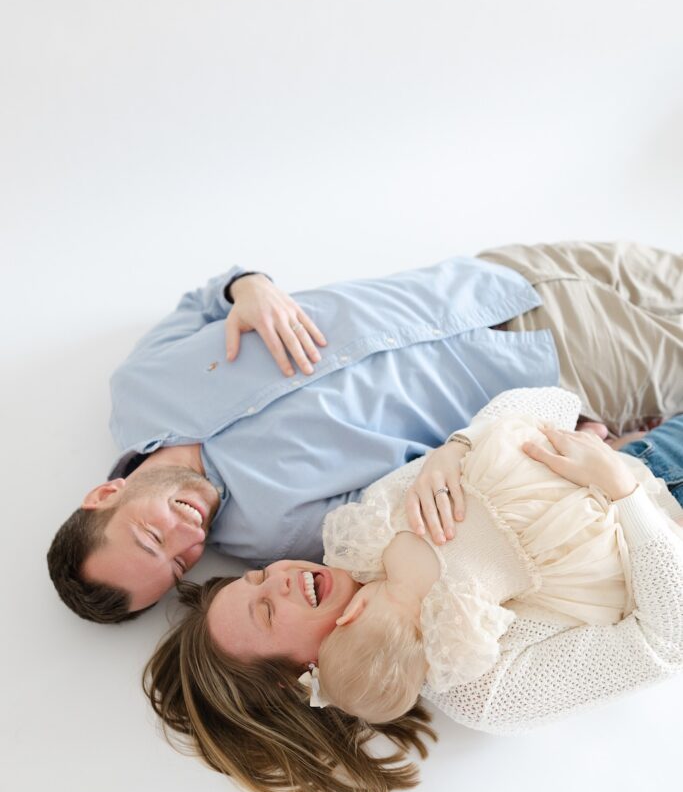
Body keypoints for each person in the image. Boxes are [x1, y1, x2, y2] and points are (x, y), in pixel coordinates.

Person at [48, 242, 683, 623]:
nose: (189, 537)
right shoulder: (277, 532)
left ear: (104, 497)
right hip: (561, 360)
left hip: (490, 277)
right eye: (180, 562)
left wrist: (251, 287)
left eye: (152, 535)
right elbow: (430, 493)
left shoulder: (136, 385)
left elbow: (205, 298)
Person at [142, 388, 683, 792]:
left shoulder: (370, 526)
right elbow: (669, 637)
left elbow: (554, 402)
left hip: (656, 449)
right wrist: (622, 492)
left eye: (256, 577)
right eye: (266, 610)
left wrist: (458, 445)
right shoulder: (481, 686)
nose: (280, 576)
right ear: (298, 676)